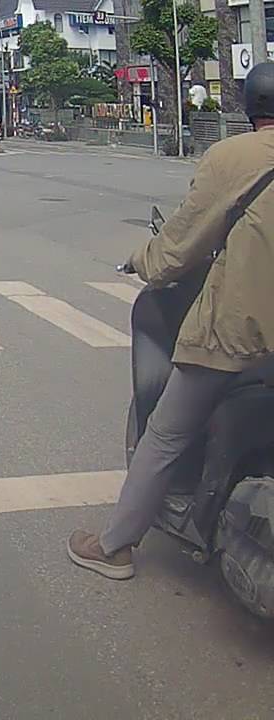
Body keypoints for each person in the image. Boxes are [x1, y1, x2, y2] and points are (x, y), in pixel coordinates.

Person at [67, 61, 274, 580]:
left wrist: (142, 260)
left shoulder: (232, 157)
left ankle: (114, 547)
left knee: (165, 433)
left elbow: (177, 248)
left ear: (249, 107)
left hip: (239, 333)